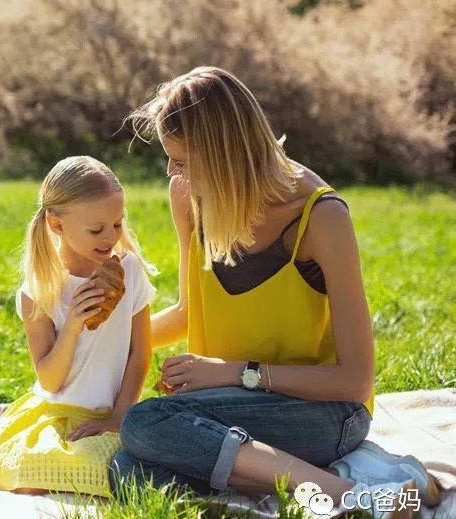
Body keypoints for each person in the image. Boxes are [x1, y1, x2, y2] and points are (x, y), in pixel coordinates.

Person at [109, 67, 440, 517]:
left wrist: (235, 373)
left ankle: (349, 497)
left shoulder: (320, 217)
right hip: (227, 411)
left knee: (146, 423)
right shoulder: (187, 196)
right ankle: (364, 487)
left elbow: (355, 381)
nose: (172, 172)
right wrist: (104, 344)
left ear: (224, 154)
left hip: (325, 413)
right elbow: (191, 311)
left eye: (182, 160)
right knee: (128, 469)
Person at [0, 156, 154, 496]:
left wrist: (119, 416)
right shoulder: (41, 290)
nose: (111, 237)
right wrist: (72, 327)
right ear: (56, 225)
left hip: (116, 413)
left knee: (121, 469)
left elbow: (140, 353)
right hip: (58, 415)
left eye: (117, 223)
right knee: (36, 472)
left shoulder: (129, 270)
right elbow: (50, 380)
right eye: (96, 229)